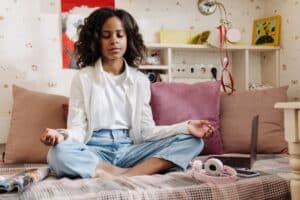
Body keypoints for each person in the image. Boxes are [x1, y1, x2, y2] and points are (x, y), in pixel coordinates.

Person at [40, 7, 214, 179]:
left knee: (193, 141)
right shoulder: (83, 78)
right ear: (96, 40)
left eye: (119, 35)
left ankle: (126, 173)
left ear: (128, 38)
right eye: (106, 36)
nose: (114, 41)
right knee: (57, 153)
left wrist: (186, 127)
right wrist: (61, 135)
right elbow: (78, 129)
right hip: (95, 149)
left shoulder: (140, 80)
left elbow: (147, 131)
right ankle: (119, 172)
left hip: (131, 150)